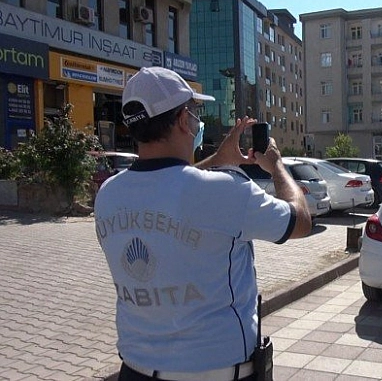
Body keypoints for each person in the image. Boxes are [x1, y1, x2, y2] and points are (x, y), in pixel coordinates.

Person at [94, 67, 311, 381]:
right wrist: (276, 165)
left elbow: (166, 183)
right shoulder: (225, 190)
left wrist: (218, 160)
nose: (197, 121)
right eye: (194, 113)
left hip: (135, 371)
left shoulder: (109, 194)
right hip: (217, 373)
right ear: (184, 120)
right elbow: (300, 221)